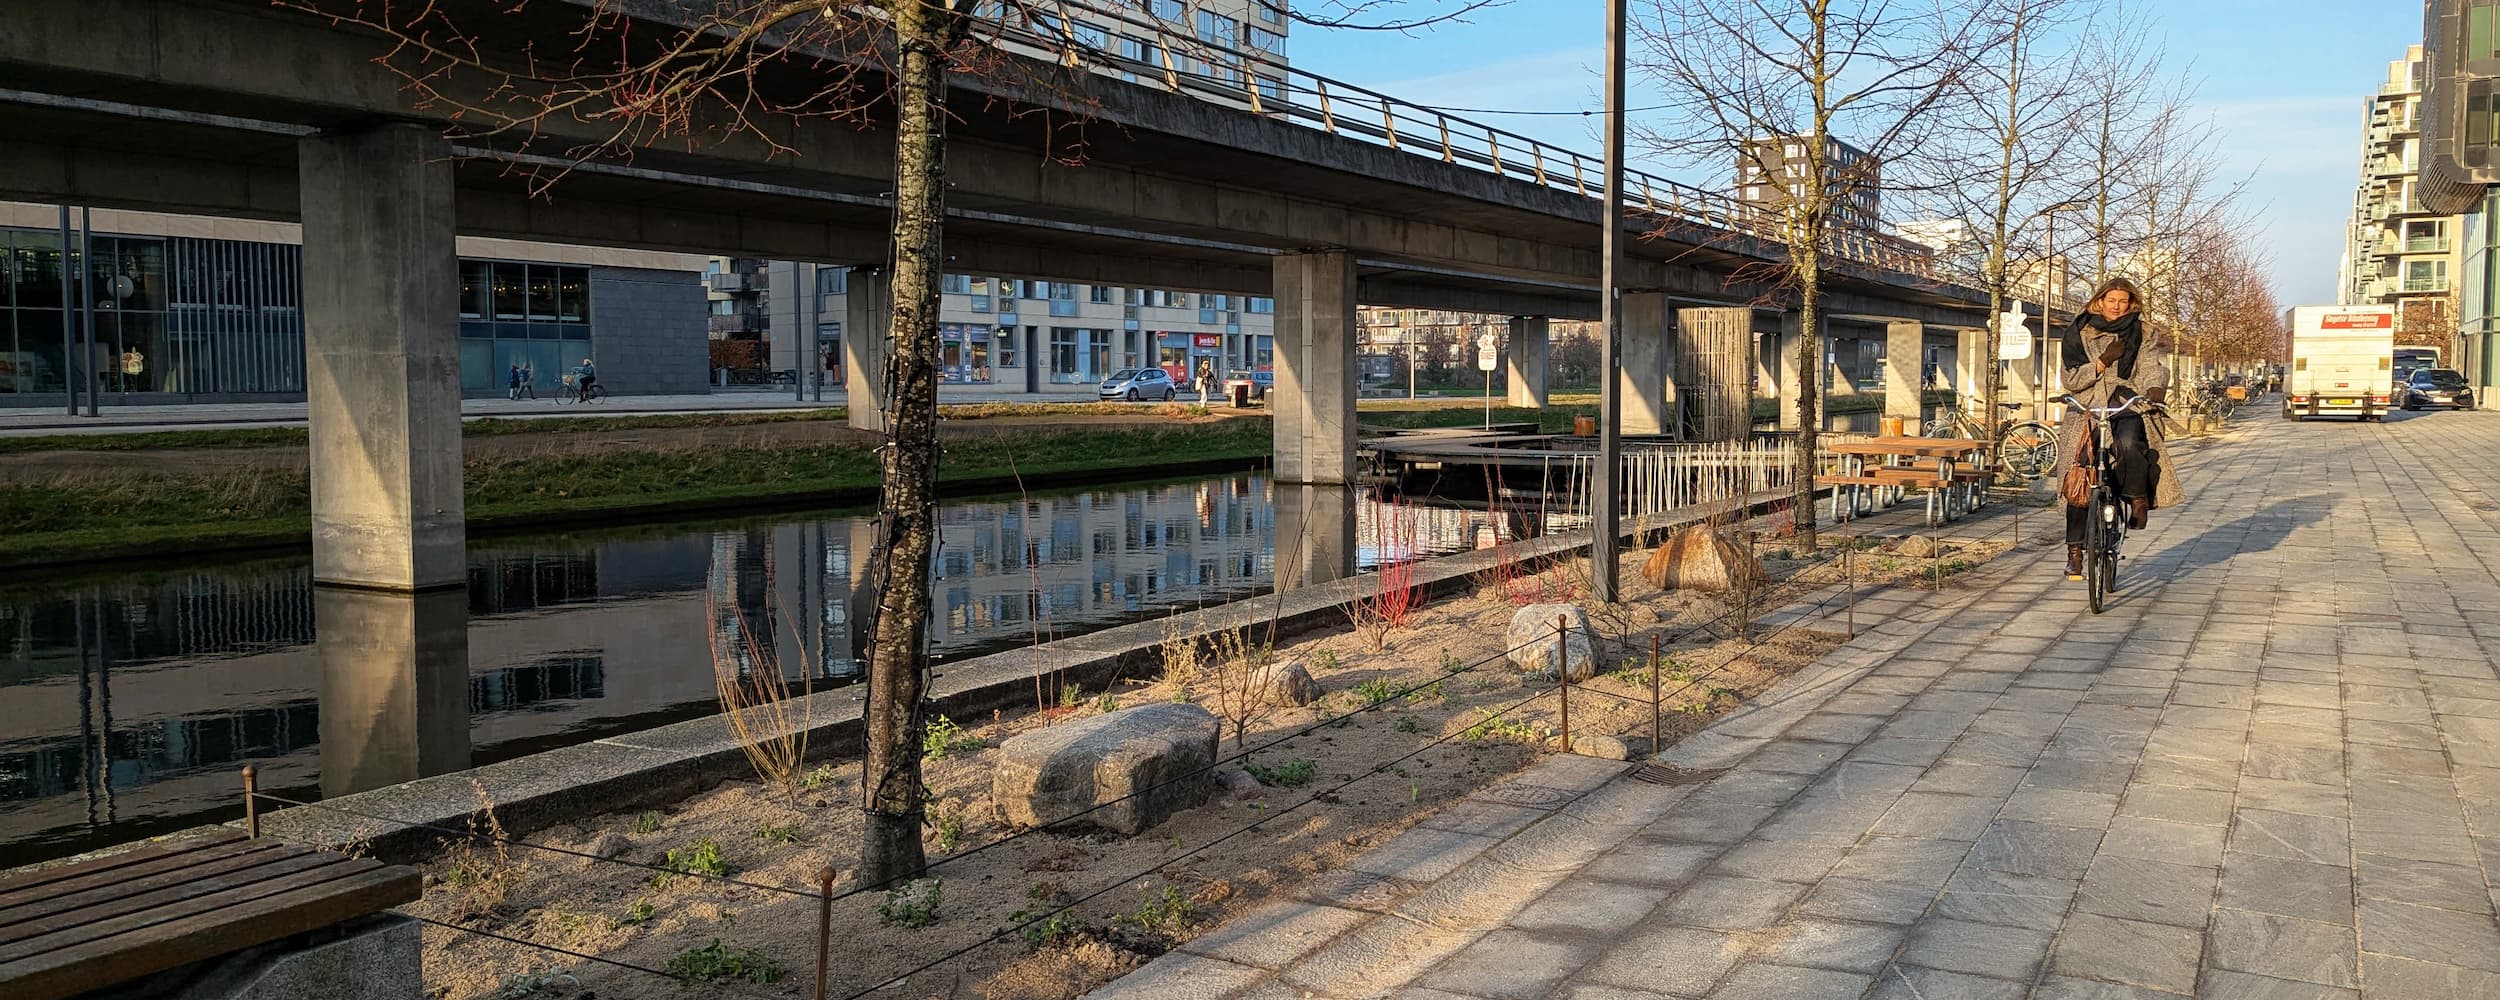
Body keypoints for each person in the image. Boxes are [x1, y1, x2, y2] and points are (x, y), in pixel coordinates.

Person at [2049, 277, 2188, 581]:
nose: (2116, 307)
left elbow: (2153, 365)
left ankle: (2138, 497)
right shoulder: (2078, 332)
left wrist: (2154, 388)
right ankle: (2074, 553)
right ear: (2099, 301)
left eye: (2123, 301)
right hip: (2086, 405)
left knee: (2129, 442)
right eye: (2111, 300)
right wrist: (2100, 363)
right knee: (2080, 476)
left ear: (2131, 303)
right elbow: (2071, 380)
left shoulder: (2143, 331)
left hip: (2126, 399)